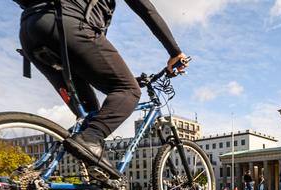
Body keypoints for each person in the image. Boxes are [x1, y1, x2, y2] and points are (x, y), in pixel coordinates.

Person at [16, 0, 187, 178]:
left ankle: (86, 175)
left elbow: (94, 68)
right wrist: (175, 52)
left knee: (89, 114)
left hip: (30, 30)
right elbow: (147, 10)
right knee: (129, 91)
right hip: (66, 24)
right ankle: (90, 139)